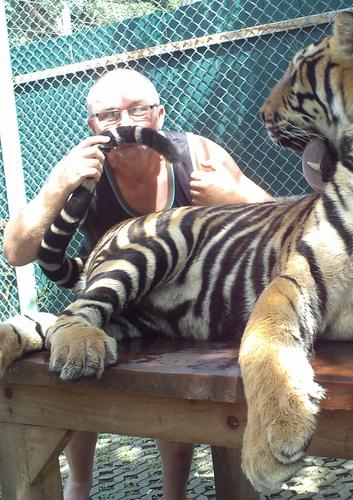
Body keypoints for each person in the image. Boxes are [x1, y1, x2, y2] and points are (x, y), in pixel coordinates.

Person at [3, 68, 274, 500]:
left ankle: (174, 493)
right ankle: (79, 483)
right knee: (73, 365)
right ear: (92, 125)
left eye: (138, 110)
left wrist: (235, 197)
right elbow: (17, 252)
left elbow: (281, 222)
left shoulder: (198, 156)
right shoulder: (84, 168)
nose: (124, 122)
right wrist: (57, 186)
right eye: (109, 114)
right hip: (109, 299)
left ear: (159, 115)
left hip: (182, 307)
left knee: (177, 385)